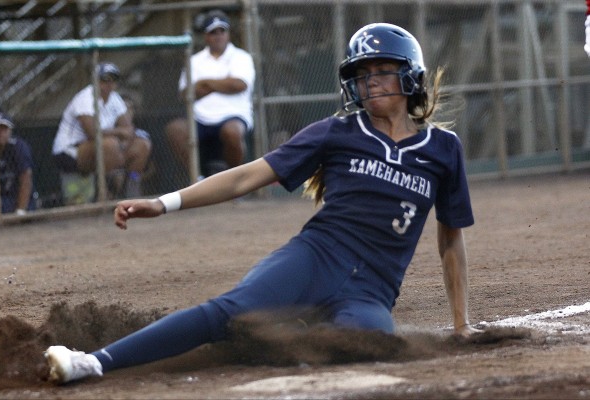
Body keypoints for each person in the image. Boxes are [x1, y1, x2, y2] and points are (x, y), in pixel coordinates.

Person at [45, 23, 481, 384]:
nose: (369, 82)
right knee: (229, 312)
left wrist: (461, 324)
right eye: (362, 74)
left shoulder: (443, 149)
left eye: (381, 71)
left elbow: (450, 241)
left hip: (372, 290)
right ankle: (93, 361)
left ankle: (293, 330)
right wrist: (164, 203)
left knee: (369, 346)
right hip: (315, 257)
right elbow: (247, 175)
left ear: (411, 77)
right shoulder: (337, 131)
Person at [166, 9, 255, 178]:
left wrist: (205, 83)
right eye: (213, 32)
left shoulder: (241, 57)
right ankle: (198, 178)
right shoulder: (195, 60)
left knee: (232, 132)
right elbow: (186, 93)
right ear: (206, 36)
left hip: (233, 114)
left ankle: (233, 182)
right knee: (175, 129)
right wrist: (224, 82)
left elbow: (239, 85)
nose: (218, 35)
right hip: (200, 118)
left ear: (228, 34)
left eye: (222, 31)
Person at [52, 62, 151, 201]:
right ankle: (104, 195)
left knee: (142, 145)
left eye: (113, 80)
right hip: (69, 152)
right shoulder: (85, 98)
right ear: (96, 81)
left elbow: (128, 128)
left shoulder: (115, 98)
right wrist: (119, 133)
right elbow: (93, 133)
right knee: (109, 145)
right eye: (104, 80)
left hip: (105, 148)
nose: (109, 84)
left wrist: (122, 140)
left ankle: (130, 191)